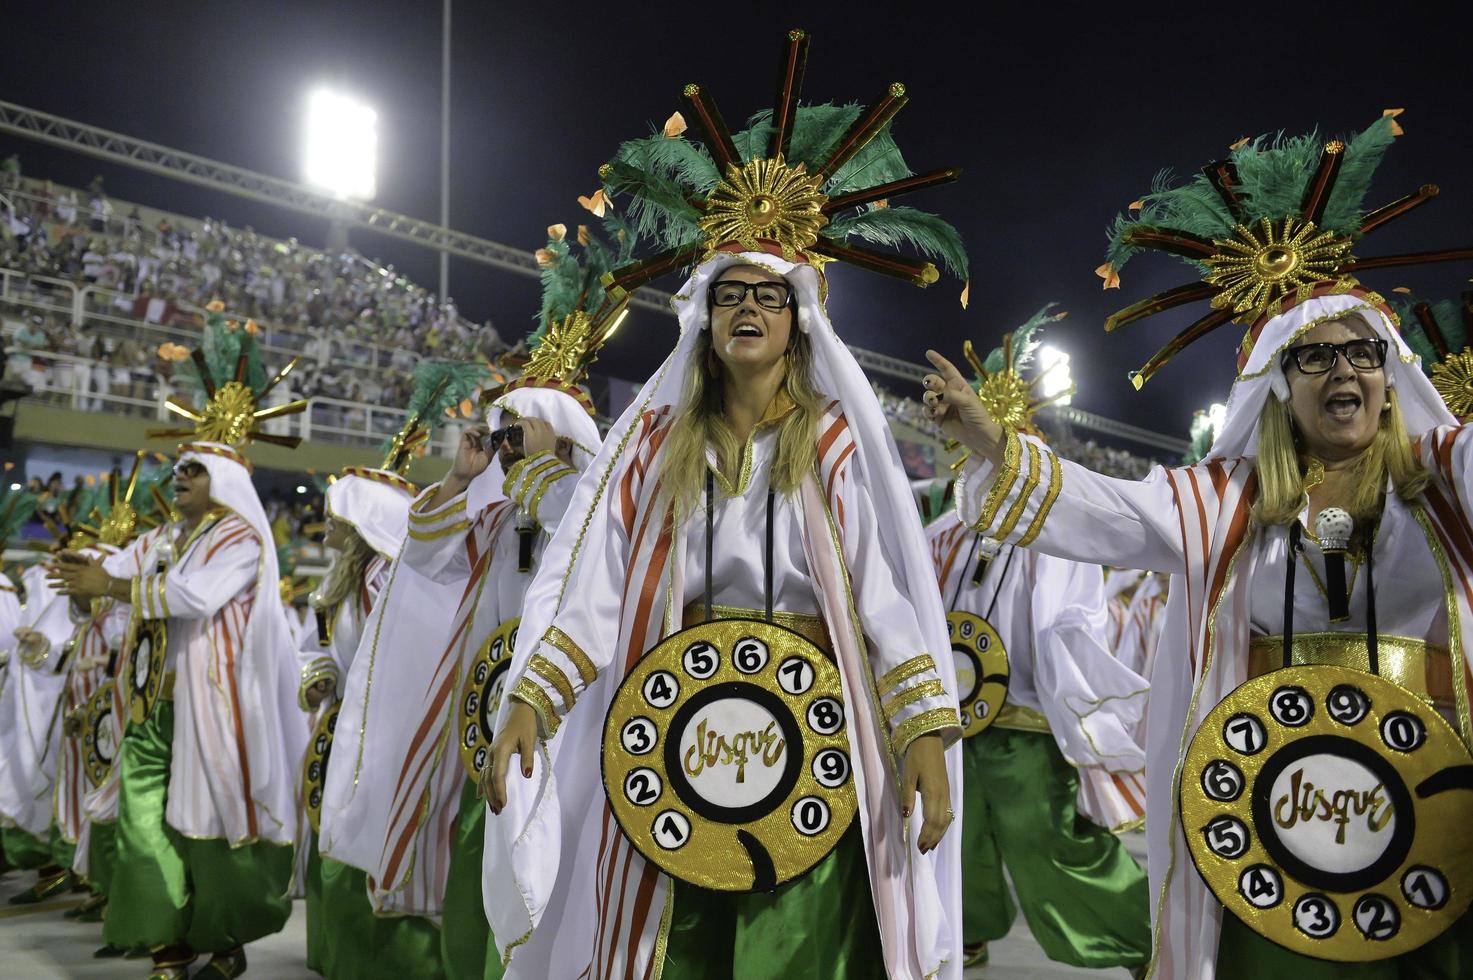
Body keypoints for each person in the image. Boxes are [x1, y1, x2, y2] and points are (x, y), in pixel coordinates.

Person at [923, 116, 1473, 977]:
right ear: (1276, 390)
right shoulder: (1228, 501)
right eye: (1313, 359)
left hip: (1432, 798)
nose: (1341, 373)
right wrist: (998, 445)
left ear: (1390, 372)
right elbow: (1108, 510)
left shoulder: (1442, 477)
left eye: (1362, 354)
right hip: (1271, 803)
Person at [485, 39, 971, 975]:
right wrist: (533, 703)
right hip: (674, 727)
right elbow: (595, 583)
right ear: (704, 316)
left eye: (769, 295)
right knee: (678, 943)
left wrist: (921, 730)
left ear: (799, 320)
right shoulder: (658, 450)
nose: (748, 307)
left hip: (810, 722)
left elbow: (883, 598)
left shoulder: (831, 444)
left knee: (798, 942)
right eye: (730, 294)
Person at [49, 311, 307, 980]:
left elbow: (193, 597)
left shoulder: (241, 541)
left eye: (192, 472)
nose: (179, 480)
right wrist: (84, 585)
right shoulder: (164, 539)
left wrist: (110, 583)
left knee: (212, 833)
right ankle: (166, 942)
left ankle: (223, 937)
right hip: (146, 709)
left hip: (212, 711)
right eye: (179, 471)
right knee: (139, 827)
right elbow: (121, 573)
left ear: (222, 481)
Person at [922, 311, 1151, 973]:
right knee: (955, 841)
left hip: (1024, 718)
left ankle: (1138, 936)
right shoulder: (945, 531)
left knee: (1049, 841)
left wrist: (1072, 703)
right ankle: (964, 932)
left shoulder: (1055, 526)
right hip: (954, 724)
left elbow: (1072, 617)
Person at [298, 366, 475, 980]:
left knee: (388, 846)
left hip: (397, 735)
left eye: (339, 517)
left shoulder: (405, 579)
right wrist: (319, 675)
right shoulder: (337, 583)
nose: (329, 527)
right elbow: (315, 645)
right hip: (343, 729)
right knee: (341, 841)